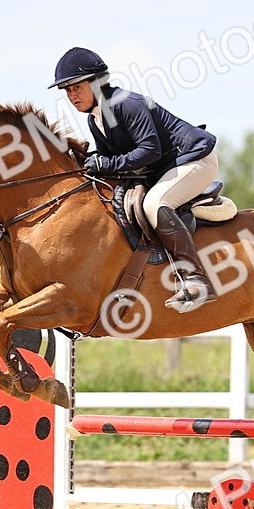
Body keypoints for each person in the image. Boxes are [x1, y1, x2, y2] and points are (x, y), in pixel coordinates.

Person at [50, 47, 218, 312]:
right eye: (67, 91)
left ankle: (196, 279)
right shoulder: (96, 118)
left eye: (76, 87)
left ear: (96, 82)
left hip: (194, 159)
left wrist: (106, 164)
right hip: (163, 167)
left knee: (155, 204)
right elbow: (110, 160)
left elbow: (150, 150)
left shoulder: (125, 104)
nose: (72, 96)